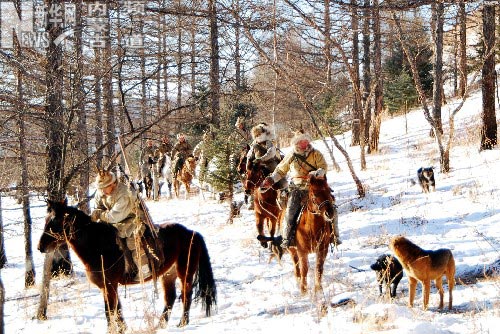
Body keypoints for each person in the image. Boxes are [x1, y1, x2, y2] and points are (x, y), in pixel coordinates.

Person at [262, 132, 341, 248]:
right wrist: (271, 180)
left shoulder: (316, 154)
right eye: (301, 141)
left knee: (331, 208)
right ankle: (287, 238)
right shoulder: (291, 155)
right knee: (290, 212)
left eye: (306, 141)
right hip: (297, 188)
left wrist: (315, 173)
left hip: (316, 188)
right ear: (296, 142)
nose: (304, 143)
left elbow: (323, 168)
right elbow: (280, 170)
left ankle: (334, 236)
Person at [91, 170, 143, 280]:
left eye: (105, 187)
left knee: (128, 240)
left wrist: (99, 214)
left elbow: (113, 217)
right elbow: (98, 207)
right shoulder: (101, 191)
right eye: (101, 188)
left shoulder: (124, 193)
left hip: (131, 218)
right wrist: (97, 213)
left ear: (113, 184)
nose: (103, 190)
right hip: (110, 219)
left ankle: (137, 268)